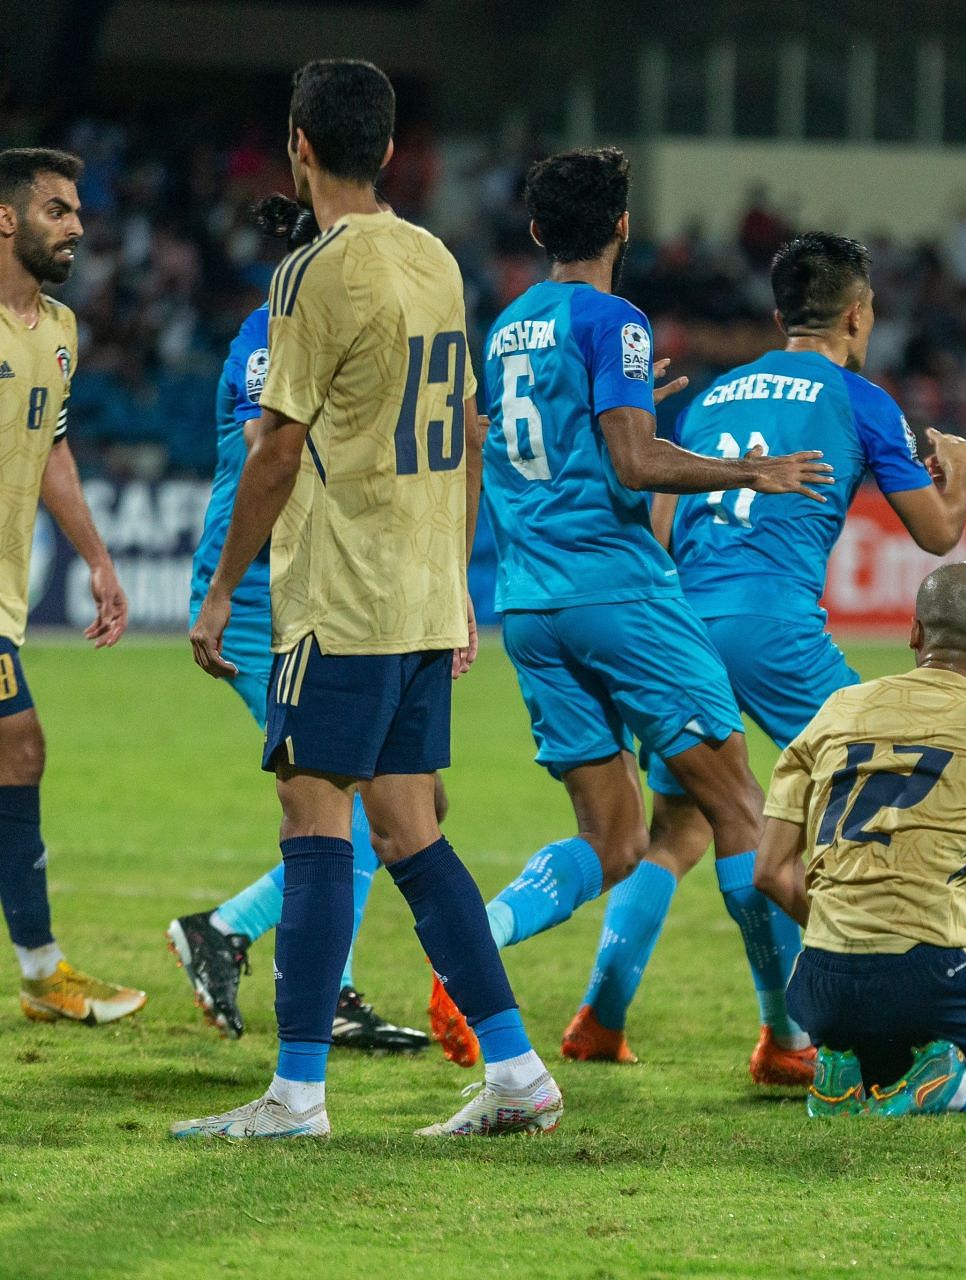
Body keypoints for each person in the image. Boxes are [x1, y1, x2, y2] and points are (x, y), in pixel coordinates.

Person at [175, 59, 559, 1141]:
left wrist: (217, 595)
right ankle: (520, 1073)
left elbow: (277, 450)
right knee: (409, 832)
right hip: (427, 595)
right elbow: (468, 427)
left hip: (340, 600)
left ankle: (296, 1096)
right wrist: (460, 577)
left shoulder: (309, 275)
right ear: (389, 150)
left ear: (298, 145)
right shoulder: (435, 258)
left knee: (315, 824)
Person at [430, 146, 831, 1083]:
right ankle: (785, 1039)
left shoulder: (509, 326)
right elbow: (634, 466)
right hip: (621, 595)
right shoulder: (617, 318)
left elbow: (512, 442)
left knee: (613, 839)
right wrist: (751, 470)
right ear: (621, 226)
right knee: (738, 802)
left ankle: (470, 950)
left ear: (536, 234)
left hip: (529, 603)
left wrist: (620, 420)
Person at [570, 231, 966, 1078]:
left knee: (681, 827)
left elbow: (663, 523)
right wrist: (958, 474)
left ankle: (610, 1018)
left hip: (681, 623)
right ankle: (880, 1021)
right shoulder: (861, 398)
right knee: (877, 802)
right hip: (775, 629)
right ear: (858, 315)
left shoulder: (712, 397)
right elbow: (938, 535)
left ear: (780, 314)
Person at [167, 194, 426, 1052]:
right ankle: (238, 934)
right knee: (345, 795)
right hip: (258, 600)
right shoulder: (269, 332)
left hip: (326, 596)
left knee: (403, 802)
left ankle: (299, 965)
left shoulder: (355, 331)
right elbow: (266, 450)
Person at [754, 563, 966, 1116]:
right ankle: (950, 1091)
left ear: (914, 633)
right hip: (928, 969)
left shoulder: (839, 709)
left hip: (816, 984)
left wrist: (845, 935)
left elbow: (768, 871)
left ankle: (846, 1069)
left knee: (897, 1042)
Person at [0, 147, 143, 1025]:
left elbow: (51, 449)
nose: (79, 227)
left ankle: (41, 969)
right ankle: (43, 967)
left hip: (7, 595)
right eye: (58, 209)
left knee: (18, 753)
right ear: (6, 219)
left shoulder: (58, 331)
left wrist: (96, 557)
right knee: (20, 744)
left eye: (79, 211)